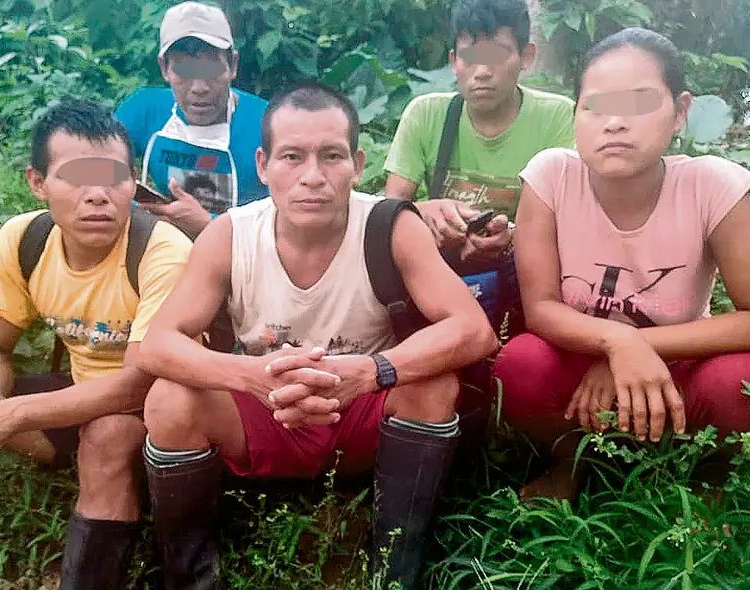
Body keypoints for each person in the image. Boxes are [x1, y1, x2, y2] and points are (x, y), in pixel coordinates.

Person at [137, 82, 499, 590]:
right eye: (292, 156)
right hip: (265, 409)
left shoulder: (389, 226)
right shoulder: (231, 234)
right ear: (263, 165)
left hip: (360, 411)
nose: (312, 176)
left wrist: (371, 372)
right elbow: (158, 344)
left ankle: (395, 569)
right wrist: (251, 376)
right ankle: (190, 576)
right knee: (169, 400)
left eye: (331, 156)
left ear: (357, 163)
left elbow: (473, 330)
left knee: (432, 385)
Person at [0, 100, 193, 590]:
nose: (98, 195)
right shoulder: (23, 239)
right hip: (72, 401)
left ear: (133, 182)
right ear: (37, 182)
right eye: (76, 177)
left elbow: (138, 385)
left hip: (153, 416)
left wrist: (11, 417)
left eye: (114, 177)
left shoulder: (162, 251)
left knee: (108, 434)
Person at [494, 27, 750, 501]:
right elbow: (542, 308)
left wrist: (634, 347)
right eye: (595, 106)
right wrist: (613, 342)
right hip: (581, 373)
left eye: (639, 103)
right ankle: (573, 461)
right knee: (521, 363)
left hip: (678, 371)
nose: (614, 123)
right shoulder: (552, 177)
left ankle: (706, 484)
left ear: (680, 112)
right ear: (576, 115)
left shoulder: (711, 186)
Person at [384, 0, 574, 266]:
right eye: (470, 57)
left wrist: (513, 237)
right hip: (440, 272)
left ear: (527, 57)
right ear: (453, 61)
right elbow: (388, 212)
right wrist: (423, 211)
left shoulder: (557, 117)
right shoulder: (425, 114)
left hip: (527, 272)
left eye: (497, 56)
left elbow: (571, 220)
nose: (482, 72)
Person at [114, 1, 269, 237]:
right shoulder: (144, 110)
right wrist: (146, 214)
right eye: (184, 71)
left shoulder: (268, 121)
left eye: (211, 70)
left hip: (247, 248)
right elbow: (98, 170)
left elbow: (288, 217)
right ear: (164, 68)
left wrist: (208, 224)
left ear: (233, 65)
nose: (199, 87)